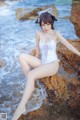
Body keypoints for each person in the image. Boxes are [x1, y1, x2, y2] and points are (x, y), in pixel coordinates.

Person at [12, 8, 80, 120]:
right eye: (43, 25)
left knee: (32, 75)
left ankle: (21, 106)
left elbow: (69, 45)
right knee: (21, 56)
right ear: (40, 24)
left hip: (53, 65)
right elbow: (38, 51)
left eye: (48, 24)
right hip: (42, 63)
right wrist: (32, 61)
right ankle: (31, 85)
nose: (46, 27)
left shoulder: (56, 34)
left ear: (52, 23)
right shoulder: (38, 33)